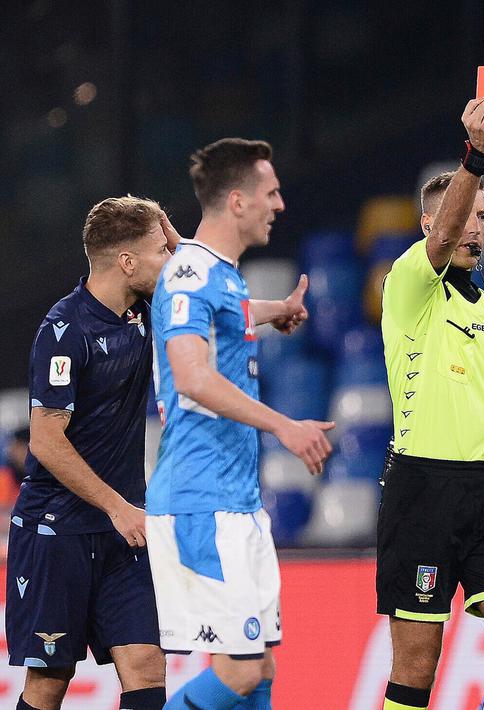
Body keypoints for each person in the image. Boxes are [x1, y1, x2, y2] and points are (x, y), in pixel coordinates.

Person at [147, 138, 335, 710]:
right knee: (241, 671)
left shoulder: (223, 276)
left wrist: (271, 311)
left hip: (237, 501)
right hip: (202, 500)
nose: (279, 204)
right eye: (270, 192)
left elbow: (223, 315)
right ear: (236, 201)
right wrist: (283, 425)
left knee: (263, 667)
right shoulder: (188, 272)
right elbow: (192, 377)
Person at [377, 95, 484, 710]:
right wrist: (476, 158)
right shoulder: (410, 284)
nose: (474, 225)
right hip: (422, 490)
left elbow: (483, 384)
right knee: (416, 671)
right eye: (465, 213)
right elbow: (445, 234)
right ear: (430, 225)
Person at [5, 197, 176, 710]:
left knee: (146, 667)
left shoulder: (144, 312)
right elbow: (46, 441)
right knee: (49, 684)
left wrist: (276, 310)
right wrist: (117, 506)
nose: (170, 260)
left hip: (121, 535)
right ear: (127, 261)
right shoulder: (64, 331)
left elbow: (207, 290)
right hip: (57, 532)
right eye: (159, 250)